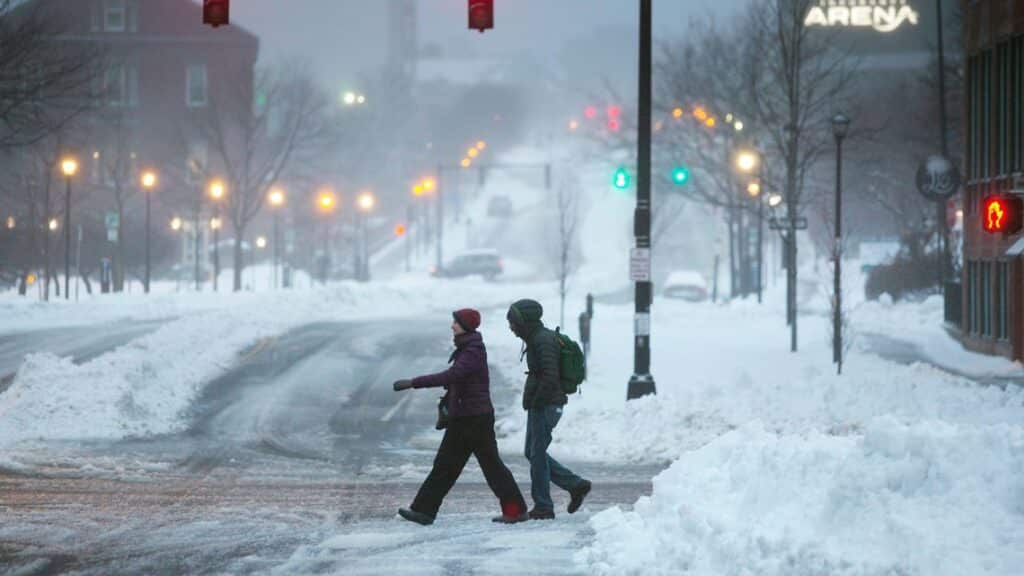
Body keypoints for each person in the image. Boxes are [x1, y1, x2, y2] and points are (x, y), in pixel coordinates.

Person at [392, 308, 529, 526]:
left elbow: (453, 375)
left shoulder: (472, 350)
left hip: (472, 419)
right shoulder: (468, 348)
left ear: (465, 326)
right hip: (470, 417)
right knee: (460, 466)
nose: (452, 326)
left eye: (455, 322)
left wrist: (413, 382)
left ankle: (424, 511)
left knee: (459, 466)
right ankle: (514, 510)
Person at [506, 299, 592, 520]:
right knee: (533, 453)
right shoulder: (536, 338)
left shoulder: (542, 341)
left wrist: (537, 402)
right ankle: (575, 485)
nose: (511, 327)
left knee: (536, 455)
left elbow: (549, 376)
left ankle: (544, 505)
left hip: (546, 405)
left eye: (513, 322)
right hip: (543, 404)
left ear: (524, 320)